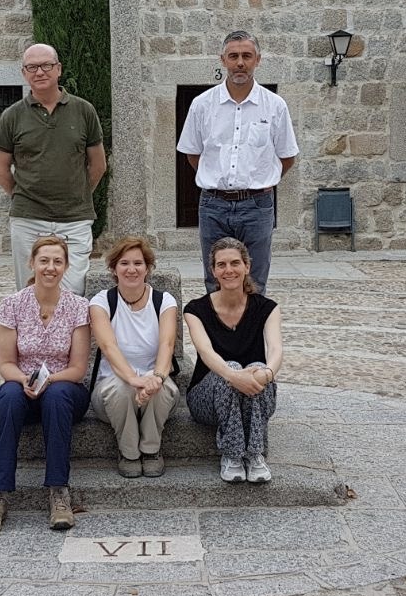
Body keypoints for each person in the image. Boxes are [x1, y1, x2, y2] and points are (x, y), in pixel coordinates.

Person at [0, 235, 92, 535]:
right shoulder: (12, 305)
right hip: (23, 385)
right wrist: (26, 381)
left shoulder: (79, 307)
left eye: (57, 261)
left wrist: (49, 380)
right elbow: (6, 364)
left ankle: (58, 491)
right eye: (44, 260)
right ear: (32, 263)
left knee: (55, 395)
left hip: (65, 389)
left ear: (66, 267)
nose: (50, 267)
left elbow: (78, 369)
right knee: (8, 395)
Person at [176, 31, 298, 294]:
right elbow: (192, 153)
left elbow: (287, 156)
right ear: (223, 60)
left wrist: (259, 181)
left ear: (258, 60)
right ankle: (218, 335)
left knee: (255, 281)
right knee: (215, 278)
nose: (240, 63)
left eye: (246, 56)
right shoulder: (202, 105)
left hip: (257, 206)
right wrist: (216, 179)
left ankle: (250, 335)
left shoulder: (275, 106)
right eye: (233, 56)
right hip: (213, 206)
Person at [0, 43, 107, 296]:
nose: (39, 72)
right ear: (24, 73)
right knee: (30, 292)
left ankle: (67, 337)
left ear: (58, 69)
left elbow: (98, 165)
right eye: (32, 67)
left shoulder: (83, 111)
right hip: (28, 219)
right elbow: (0, 170)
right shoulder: (12, 116)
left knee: (73, 291)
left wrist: (77, 193)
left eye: (46, 65)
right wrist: (23, 196)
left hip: (74, 220)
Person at [183, 237, 284, 484]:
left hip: (256, 388)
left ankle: (254, 457)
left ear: (247, 267)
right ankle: (233, 456)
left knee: (258, 367)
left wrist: (266, 374)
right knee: (232, 367)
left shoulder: (267, 308)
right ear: (214, 271)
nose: (229, 270)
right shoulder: (195, 310)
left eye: (235, 263)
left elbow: (276, 349)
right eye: (221, 265)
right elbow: (206, 353)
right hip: (207, 397)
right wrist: (233, 376)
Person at [88, 236, 179, 479]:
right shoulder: (101, 302)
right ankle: (128, 452)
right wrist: (132, 378)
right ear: (114, 268)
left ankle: (151, 450)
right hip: (111, 389)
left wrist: (157, 377)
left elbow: (167, 343)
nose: (131, 269)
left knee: (163, 390)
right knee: (122, 389)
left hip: (154, 381)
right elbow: (108, 346)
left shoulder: (164, 301)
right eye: (124, 263)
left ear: (147, 268)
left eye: (138, 263)